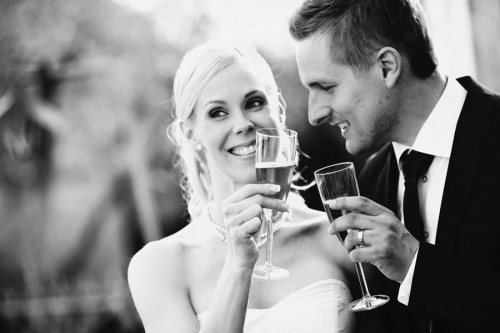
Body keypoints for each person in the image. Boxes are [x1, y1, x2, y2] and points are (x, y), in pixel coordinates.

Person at [289, 0, 500, 332]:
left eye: (327, 87)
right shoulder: (368, 183)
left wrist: (413, 264)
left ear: (387, 66)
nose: (315, 114)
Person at [127, 40, 360, 333]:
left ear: (278, 110)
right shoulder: (159, 265)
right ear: (191, 132)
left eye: (254, 103)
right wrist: (238, 264)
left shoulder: (334, 236)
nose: (242, 124)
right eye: (217, 113)